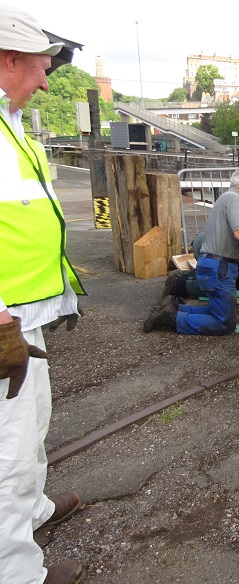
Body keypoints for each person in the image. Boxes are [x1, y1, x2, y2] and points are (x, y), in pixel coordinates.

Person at [0, 6, 86, 584]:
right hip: (4, 321)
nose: (46, 79)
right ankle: (15, 573)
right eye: (40, 66)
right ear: (8, 60)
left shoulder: (11, 124)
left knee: (34, 427)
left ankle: (34, 512)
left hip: (26, 314)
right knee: (7, 451)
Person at [144, 168, 239, 335]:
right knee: (225, 324)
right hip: (220, 268)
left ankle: (174, 309)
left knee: (220, 314)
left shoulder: (226, 198)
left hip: (214, 264)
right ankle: (173, 319)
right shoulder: (234, 200)